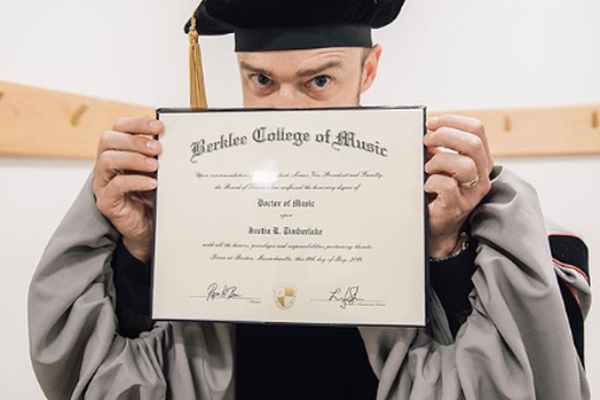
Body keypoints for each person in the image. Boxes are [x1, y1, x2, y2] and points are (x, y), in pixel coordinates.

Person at [28, 0, 591, 399]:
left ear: (369, 69)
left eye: (318, 82)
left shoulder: (449, 193)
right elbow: (130, 375)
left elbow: (522, 373)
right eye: (261, 81)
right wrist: (142, 251)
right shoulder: (192, 199)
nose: (285, 111)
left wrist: (445, 246)